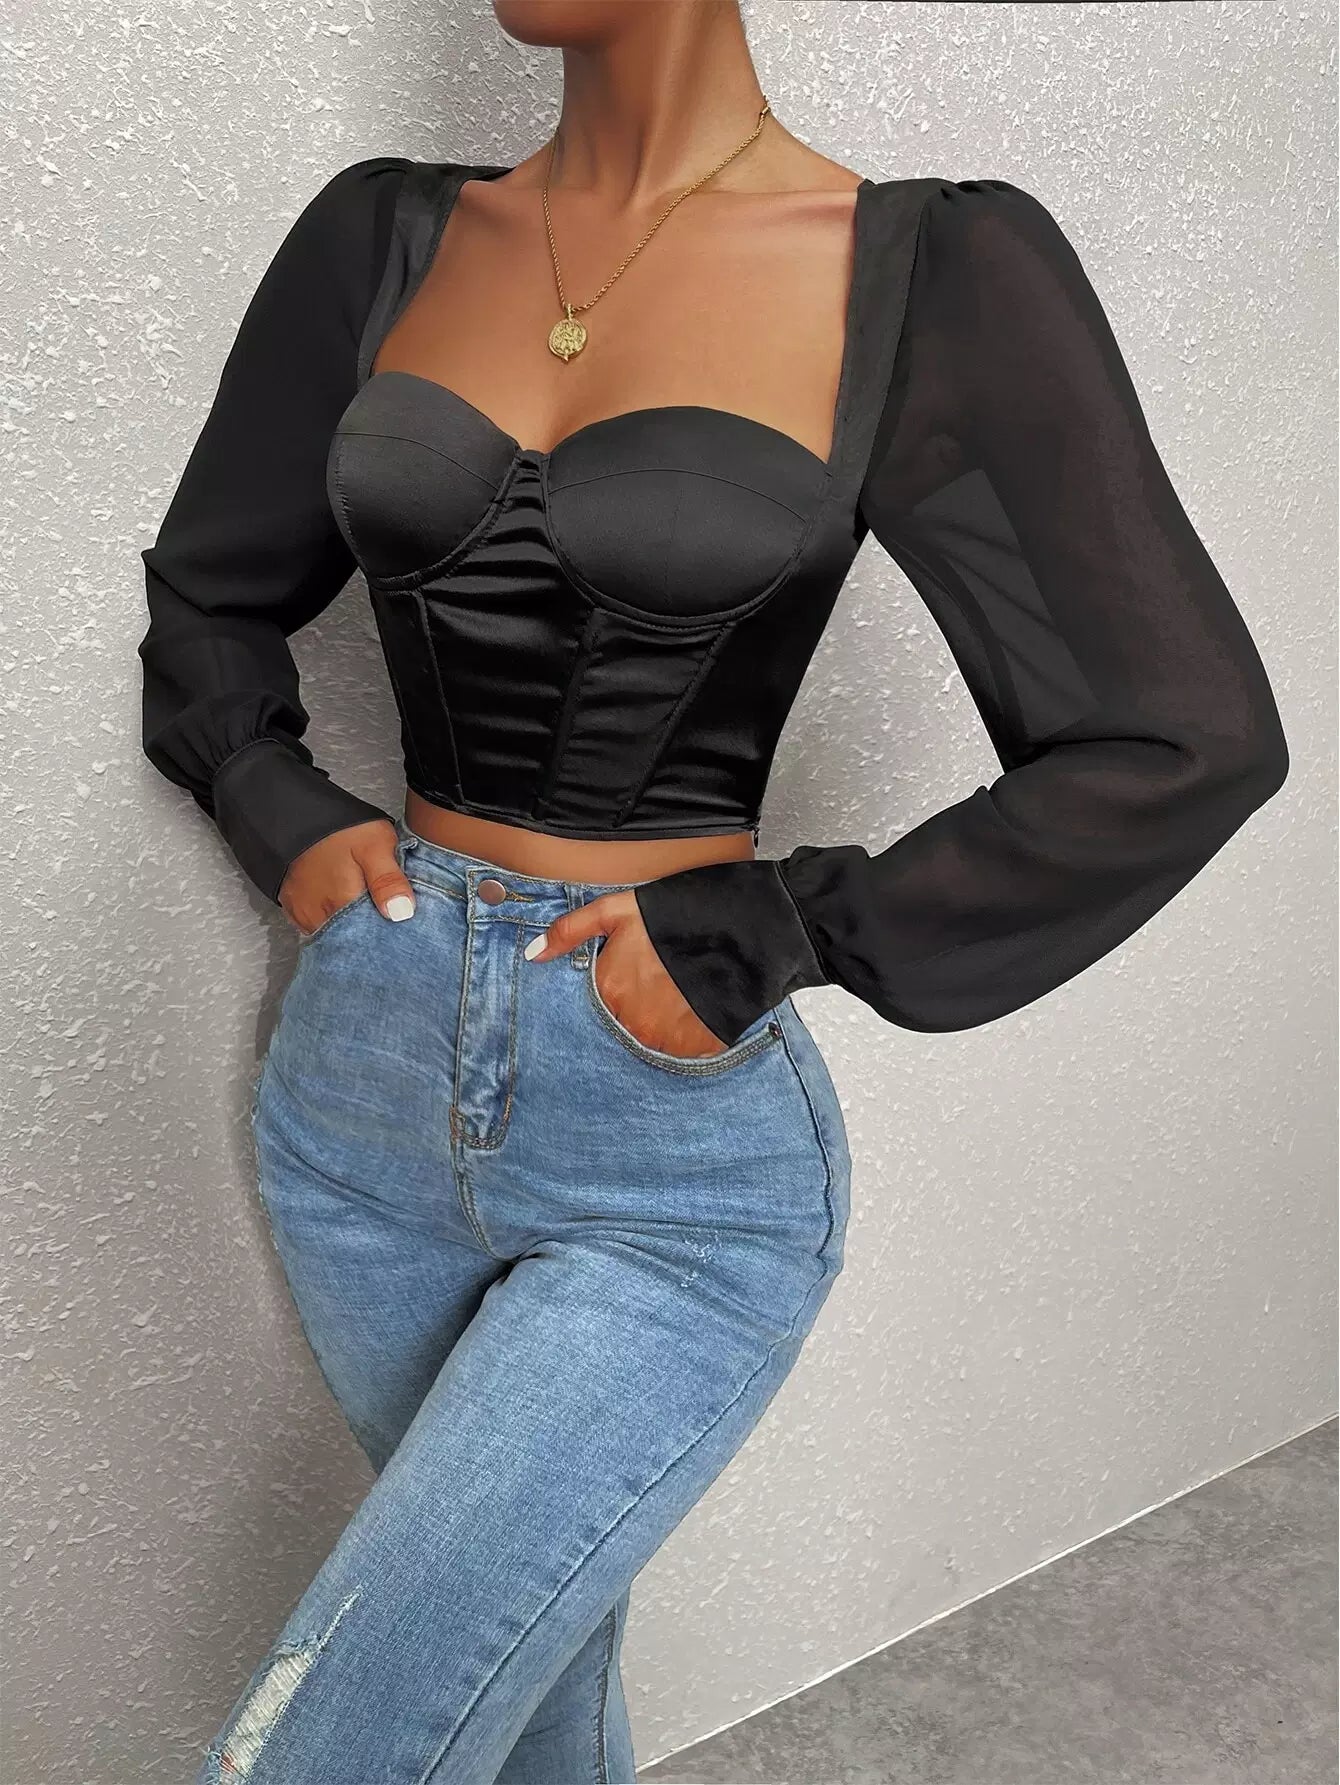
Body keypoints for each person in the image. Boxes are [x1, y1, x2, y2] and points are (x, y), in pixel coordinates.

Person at [135, 3, 1289, 1780]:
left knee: (336, 1745)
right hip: (358, 1093)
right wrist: (276, 802)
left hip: (664, 1144)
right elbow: (209, 593)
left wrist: (780, 924)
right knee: (528, 1699)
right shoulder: (383, 235)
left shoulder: (931, 273)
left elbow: (1181, 729)